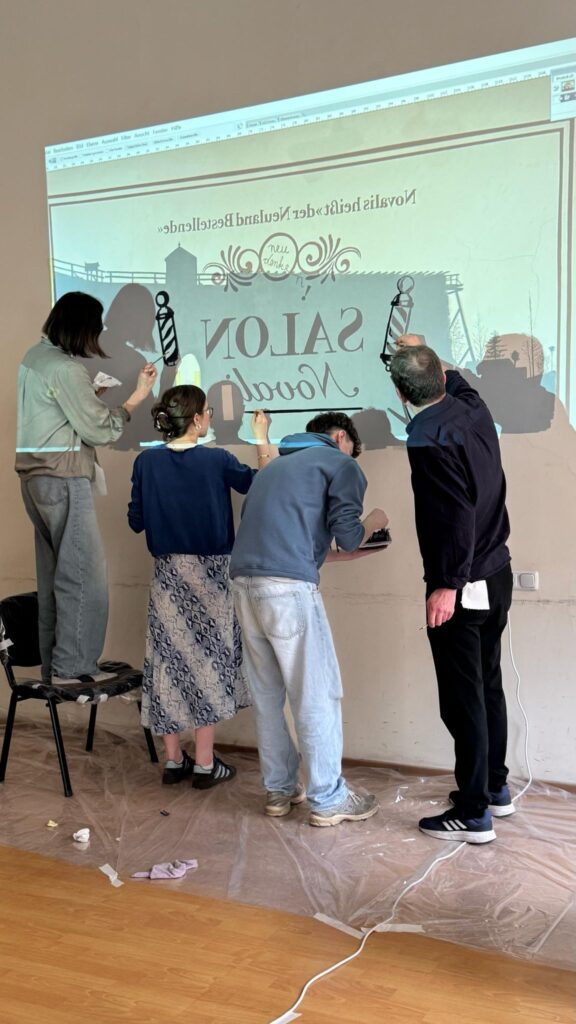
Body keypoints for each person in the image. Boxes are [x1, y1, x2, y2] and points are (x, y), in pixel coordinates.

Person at [230, 412, 389, 827]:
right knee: (316, 694)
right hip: (288, 593)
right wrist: (375, 521)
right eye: (351, 450)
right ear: (340, 437)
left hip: (244, 586)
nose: (352, 458)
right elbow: (350, 536)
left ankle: (280, 790)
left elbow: (286, 542)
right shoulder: (339, 463)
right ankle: (328, 798)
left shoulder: (272, 470)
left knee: (267, 697)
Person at [390, 343, 513, 844]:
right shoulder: (473, 408)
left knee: (464, 700)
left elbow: (453, 517)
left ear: (400, 393)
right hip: (497, 573)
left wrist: (446, 586)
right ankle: (495, 787)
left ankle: (473, 811)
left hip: (461, 583)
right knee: (487, 685)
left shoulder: (427, 438)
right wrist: (428, 352)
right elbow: (458, 380)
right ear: (442, 376)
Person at [128, 385, 272, 788]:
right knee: (207, 663)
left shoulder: (145, 462)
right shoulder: (217, 460)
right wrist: (261, 438)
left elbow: (136, 521)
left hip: (168, 576)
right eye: (207, 411)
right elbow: (261, 487)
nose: (209, 417)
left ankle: (174, 761)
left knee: (167, 664)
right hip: (212, 576)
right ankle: (206, 764)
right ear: (196, 419)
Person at [16, 291, 157, 683]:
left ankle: (55, 666)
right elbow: (99, 430)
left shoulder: (34, 357)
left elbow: (53, 417)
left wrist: (87, 399)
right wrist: (136, 398)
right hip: (63, 479)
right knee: (83, 577)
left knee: (54, 577)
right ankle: (74, 668)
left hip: (34, 481)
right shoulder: (66, 369)